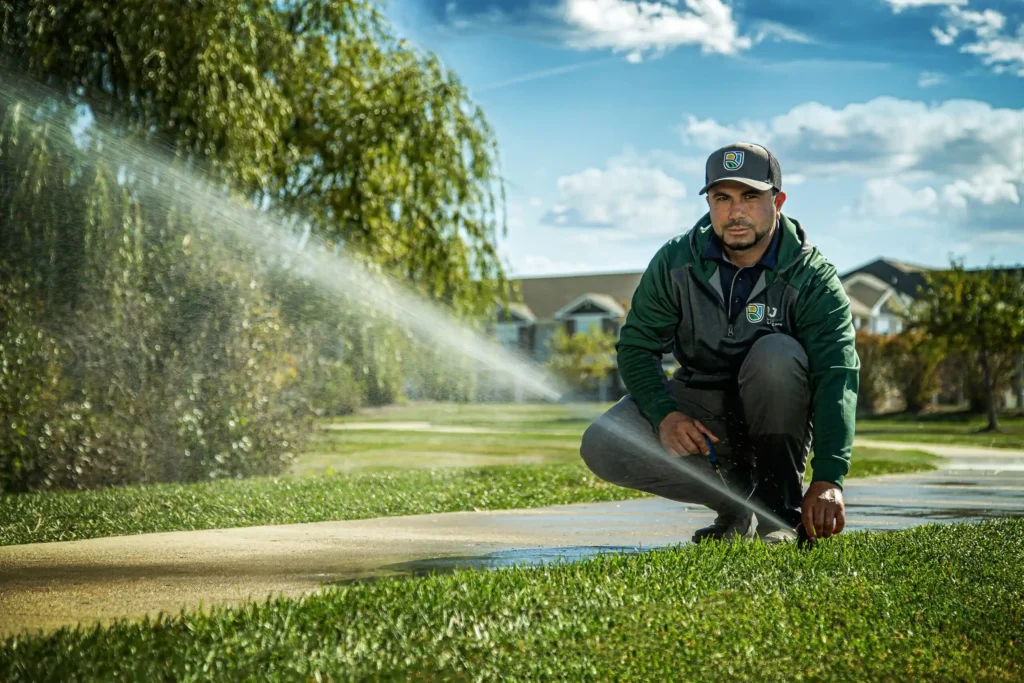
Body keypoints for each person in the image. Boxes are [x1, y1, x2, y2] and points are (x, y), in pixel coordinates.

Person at [579, 142, 860, 545]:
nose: (736, 212)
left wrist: (830, 476)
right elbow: (637, 347)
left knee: (776, 356)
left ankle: (779, 512)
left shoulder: (812, 277)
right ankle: (735, 508)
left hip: (777, 414)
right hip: (703, 408)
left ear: (777, 201)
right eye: (722, 198)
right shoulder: (677, 261)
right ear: (709, 202)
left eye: (750, 197)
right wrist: (665, 415)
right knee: (604, 444)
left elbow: (837, 375)